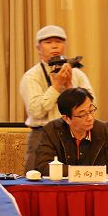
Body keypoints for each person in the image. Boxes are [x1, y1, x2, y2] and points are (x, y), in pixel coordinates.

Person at [20, 25, 94, 171]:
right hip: (42, 135)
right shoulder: (32, 76)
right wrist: (56, 87)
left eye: (58, 41)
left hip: (74, 135)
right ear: (39, 48)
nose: (54, 46)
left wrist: (70, 87)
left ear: (64, 46)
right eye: (48, 42)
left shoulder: (77, 74)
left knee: (75, 178)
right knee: (37, 179)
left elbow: (91, 107)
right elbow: (36, 111)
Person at [32, 87, 108, 176]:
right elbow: (43, 166)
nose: (90, 118)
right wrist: (85, 173)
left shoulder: (106, 131)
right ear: (67, 118)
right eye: (82, 114)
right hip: (63, 186)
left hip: (100, 186)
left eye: (91, 110)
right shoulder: (52, 131)